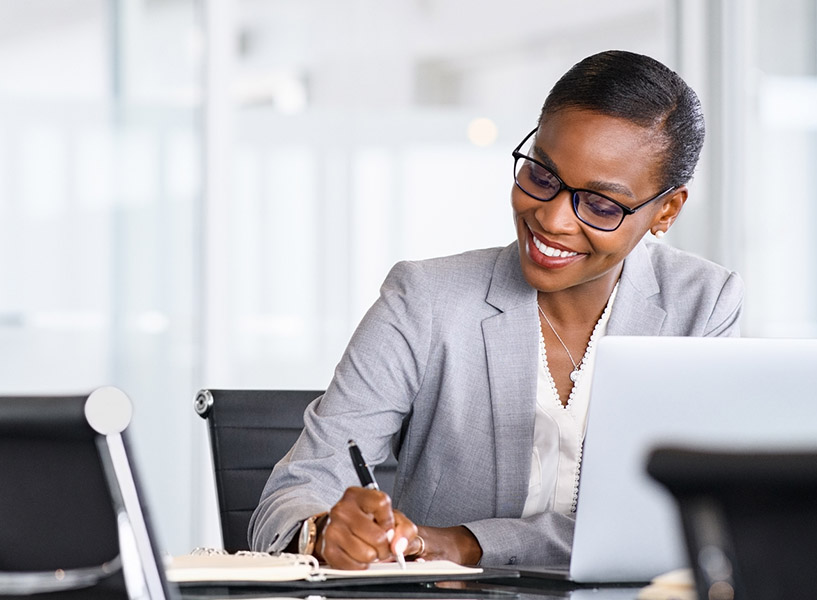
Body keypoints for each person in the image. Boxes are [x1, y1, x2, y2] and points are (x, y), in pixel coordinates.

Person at [249, 49, 743, 569]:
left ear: (666, 210)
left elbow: (680, 522)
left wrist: (466, 543)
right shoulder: (426, 299)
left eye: (600, 204)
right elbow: (294, 494)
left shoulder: (702, 305)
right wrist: (322, 531)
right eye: (542, 176)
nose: (551, 219)